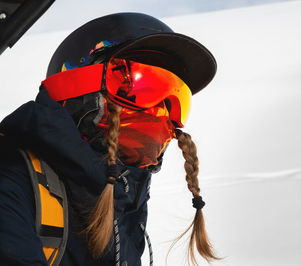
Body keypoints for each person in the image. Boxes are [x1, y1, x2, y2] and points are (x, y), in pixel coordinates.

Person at [0, 13, 219, 266]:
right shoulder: (11, 178)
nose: (161, 111)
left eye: (176, 99)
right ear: (77, 87)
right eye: (142, 86)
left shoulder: (126, 198)